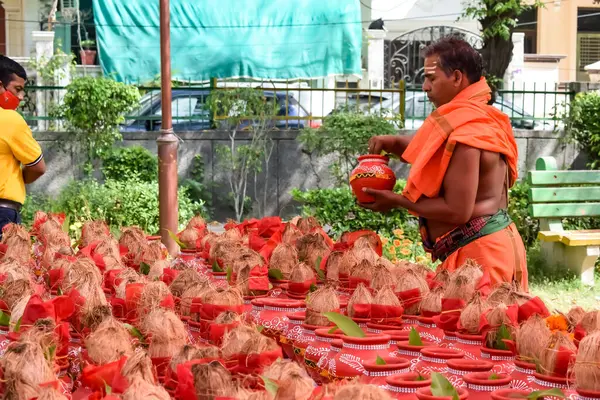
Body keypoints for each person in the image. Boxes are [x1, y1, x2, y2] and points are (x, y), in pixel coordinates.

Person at [359, 36, 528, 291]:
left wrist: (395, 201)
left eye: (431, 78)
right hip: (489, 248)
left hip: (481, 257)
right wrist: (394, 142)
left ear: (457, 78)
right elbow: (437, 150)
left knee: (476, 330)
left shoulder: (468, 132)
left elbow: (457, 210)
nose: (425, 87)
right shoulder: (476, 118)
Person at [0, 55, 46, 237]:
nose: (20, 97)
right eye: (17, 89)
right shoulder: (10, 120)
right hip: (3, 213)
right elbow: (38, 168)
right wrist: (19, 177)